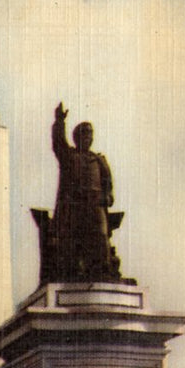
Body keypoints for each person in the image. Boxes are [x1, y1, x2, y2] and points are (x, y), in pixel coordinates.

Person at [50, 102, 116, 280]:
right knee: (74, 239)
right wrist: (59, 123)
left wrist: (107, 196)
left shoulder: (99, 160)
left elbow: (108, 183)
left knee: (101, 237)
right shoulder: (69, 156)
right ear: (76, 138)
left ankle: (103, 271)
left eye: (90, 135)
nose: (88, 138)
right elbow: (58, 143)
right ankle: (75, 271)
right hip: (75, 205)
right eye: (84, 135)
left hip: (96, 204)